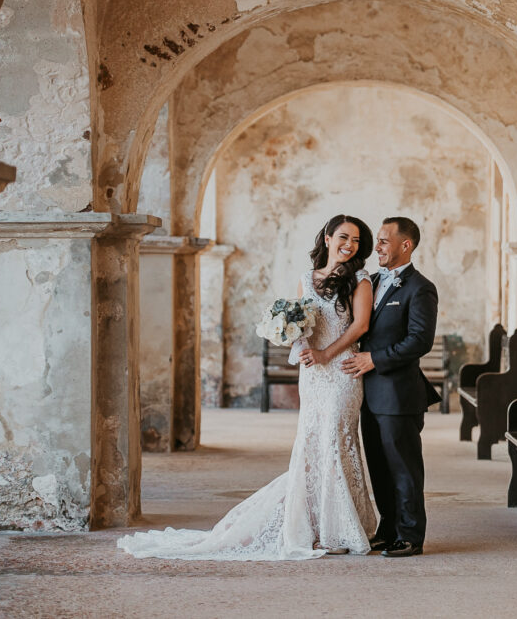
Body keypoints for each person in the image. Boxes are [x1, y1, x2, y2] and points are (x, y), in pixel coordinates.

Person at [117, 215, 378, 560]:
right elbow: (303, 326)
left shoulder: (360, 280)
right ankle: (313, 526)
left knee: (335, 441)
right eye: (344, 237)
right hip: (313, 375)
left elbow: (360, 326)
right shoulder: (307, 279)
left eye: (357, 241)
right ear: (328, 238)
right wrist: (295, 344)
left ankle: (341, 528)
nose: (350, 245)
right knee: (311, 445)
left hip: (342, 372)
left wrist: (326, 354)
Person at [341, 217, 440, 558]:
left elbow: (419, 341)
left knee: (404, 470)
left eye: (384, 241)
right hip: (368, 395)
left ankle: (411, 536)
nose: (377, 247)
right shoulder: (370, 280)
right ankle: (388, 529)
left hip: (399, 395)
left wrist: (375, 360)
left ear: (405, 245)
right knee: (379, 468)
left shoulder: (420, 288)